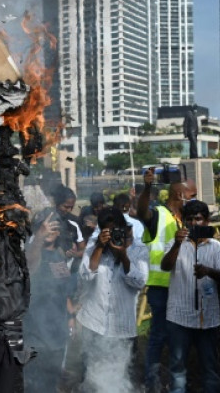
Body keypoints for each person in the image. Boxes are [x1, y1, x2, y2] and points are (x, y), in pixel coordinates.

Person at [135, 168, 195, 393]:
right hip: (161, 287)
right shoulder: (160, 213)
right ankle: (152, 383)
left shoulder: (184, 220)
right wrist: (148, 187)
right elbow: (142, 213)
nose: (194, 199)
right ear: (179, 194)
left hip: (180, 287)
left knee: (177, 338)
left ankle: (173, 382)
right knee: (159, 335)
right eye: (191, 195)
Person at [77, 208, 149, 392]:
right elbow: (86, 276)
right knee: (90, 379)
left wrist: (124, 256)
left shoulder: (138, 249)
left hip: (122, 328)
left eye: (116, 231)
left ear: (124, 229)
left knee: (122, 380)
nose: (113, 236)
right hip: (94, 323)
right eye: (107, 232)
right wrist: (99, 248)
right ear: (101, 231)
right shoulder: (95, 247)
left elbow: (139, 282)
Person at [161, 200, 220, 393]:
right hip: (179, 317)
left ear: (206, 221)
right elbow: (165, 266)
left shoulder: (216, 246)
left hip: (208, 318)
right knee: (177, 369)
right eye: (189, 219)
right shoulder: (176, 243)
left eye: (198, 219)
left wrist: (208, 271)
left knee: (210, 369)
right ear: (184, 221)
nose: (193, 223)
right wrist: (176, 243)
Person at [23, 206, 79, 392]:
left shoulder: (59, 255)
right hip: (35, 335)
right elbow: (30, 267)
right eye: (43, 227)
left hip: (57, 335)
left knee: (51, 384)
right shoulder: (31, 252)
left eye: (53, 227)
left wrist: (71, 317)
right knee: (34, 386)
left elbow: (63, 291)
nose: (49, 231)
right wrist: (38, 237)